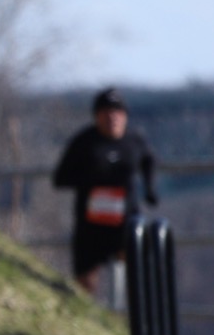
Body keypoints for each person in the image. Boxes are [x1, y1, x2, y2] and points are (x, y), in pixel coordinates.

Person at [51, 87, 158, 296]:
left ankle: (135, 312)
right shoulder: (84, 142)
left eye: (117, 112)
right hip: (91, 224)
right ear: (96, 116)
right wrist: (92, 180)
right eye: (106, 112)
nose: (112, 118)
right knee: (85, 282)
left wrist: (150, 188)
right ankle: (86, 313)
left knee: (138, 271)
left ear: (125, 116)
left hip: (126, 220)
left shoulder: (134, 141)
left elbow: (149, 160)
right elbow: (60, 179)